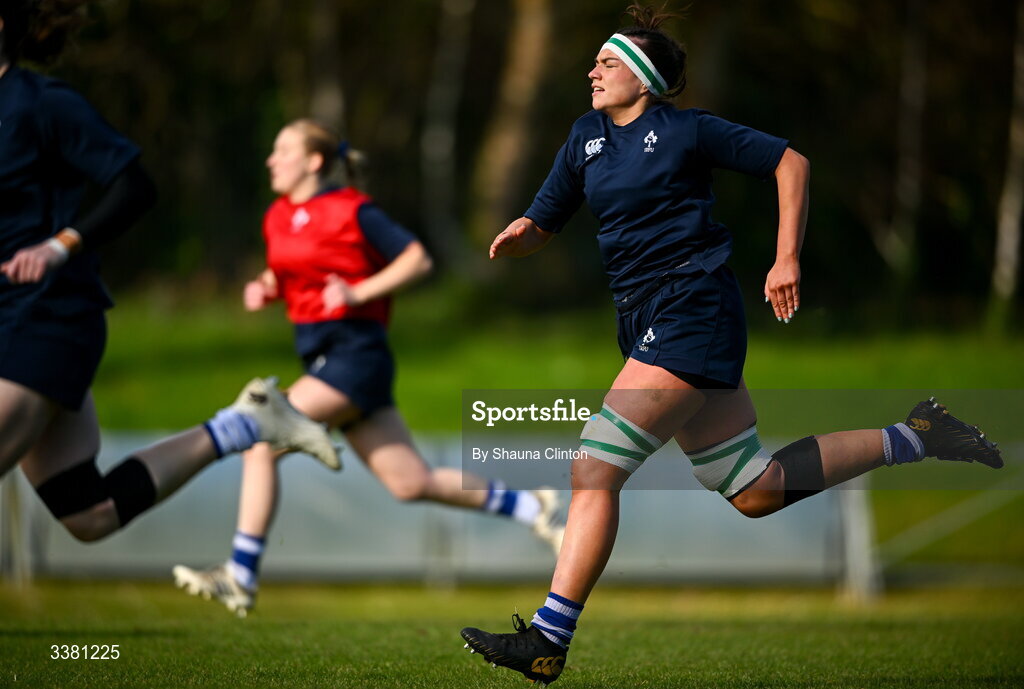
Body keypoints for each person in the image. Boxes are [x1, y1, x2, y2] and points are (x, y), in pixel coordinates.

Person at [459, 5, 1003, 685]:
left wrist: (785, 258)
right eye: (595, 60)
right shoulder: (584, 137)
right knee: (752, 487)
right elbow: (546, 217)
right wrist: (522, 234)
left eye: (608, 62)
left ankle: (549, 638)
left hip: (694, 307)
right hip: (645, 319)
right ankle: (920, 434)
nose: (592, 70)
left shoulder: (686, 131)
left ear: (644, 79)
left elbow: (790, 162)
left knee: (594, 468)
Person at [171, 119, 564, 617]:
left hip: (355, 356)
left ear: (314, 162)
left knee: (260, 439)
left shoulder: (353, 210)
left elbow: (417, 260)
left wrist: (359, 292)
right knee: (410, 482)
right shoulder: (276, 217)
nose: (271, 159)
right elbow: (291, 268)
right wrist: (267, 286)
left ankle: (240, 575)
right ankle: (535, 508)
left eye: (282, 149)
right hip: (326, 362)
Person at [0, 1, 340, 545]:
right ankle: (244, 424)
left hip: (44, 316)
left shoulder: (41, 104)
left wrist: (60, 245)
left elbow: (134, 185)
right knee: (90, 513)